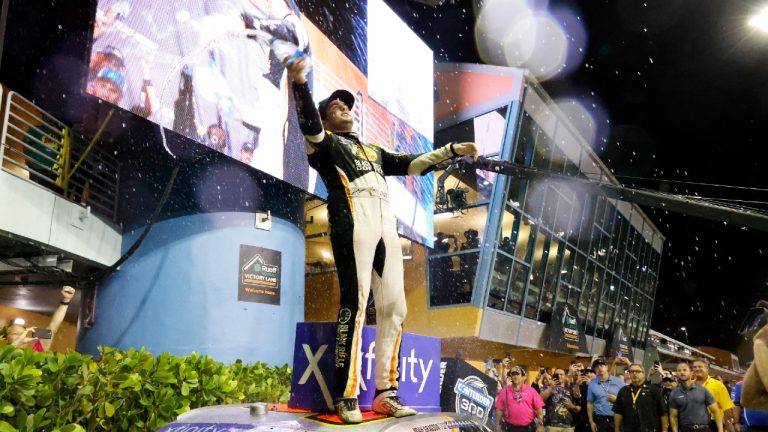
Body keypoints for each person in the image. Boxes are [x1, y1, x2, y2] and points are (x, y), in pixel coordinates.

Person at [284, 54, 478, 423]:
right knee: (355, 304)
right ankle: (345, 394)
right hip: (353, 223)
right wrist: (300, 83)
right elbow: (309, 124)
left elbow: (413, 164)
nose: (343, 106)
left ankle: (386, 393)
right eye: (334, 106)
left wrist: (451, 150)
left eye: (346, 104)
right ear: (326, 118)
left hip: (387, 227)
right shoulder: (325, 145)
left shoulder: (373, 151)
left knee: (395, 308)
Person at [2, 286, 76, 352]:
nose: (21, 337)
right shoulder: (2, 356)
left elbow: (52, 328)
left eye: (23, 333)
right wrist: (17, 343)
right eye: (15, 334)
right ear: (5, 338)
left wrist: (66, 300)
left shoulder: (35, 352)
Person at [613, 363, 668, 432]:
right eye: (632, 371)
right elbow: (618, 412)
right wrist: (617, 429)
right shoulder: (623, 391)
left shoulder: (654, 390)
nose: (634, 373)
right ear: (629, 374)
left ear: (643, 374)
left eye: (637, 371)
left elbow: (663, 413)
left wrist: (664, 430)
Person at [669, 362, 722, 432]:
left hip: (704, 429)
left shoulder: (703, 390)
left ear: (691, 373)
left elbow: (715, 411)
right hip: (686, 429)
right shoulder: (674, 393)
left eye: (684, 370)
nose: (682, 372)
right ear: (676, 374)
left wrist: (720, 430)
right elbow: (673, 416)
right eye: (679, 370)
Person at [495, 366, 546, 432]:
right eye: (513, 374)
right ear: (511, 377)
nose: (515, 376)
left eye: (517, 374)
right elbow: (499, 409)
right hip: (510, 428)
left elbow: (539, 409)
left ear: (523, 377)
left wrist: (540, 425)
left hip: (528, 429)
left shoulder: (531, 391)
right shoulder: (504, 391)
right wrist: (497, 425)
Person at [692, 360, 737, 432]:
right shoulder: (689, 386)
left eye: (700, 366)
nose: (697, 369)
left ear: (707, 369)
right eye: (694, 367)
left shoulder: (718, 385)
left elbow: (727, 409)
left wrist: (727, 425)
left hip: (715, 424)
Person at [588, 358, 627, 432]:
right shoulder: (592, 383)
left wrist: (617, 401)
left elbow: (628, 400)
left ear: (606, 367)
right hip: (600, 419)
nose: (599, 368)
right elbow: (590, 403)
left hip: (617, 419)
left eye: (601, 365)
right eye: (596, 367)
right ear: (595, 370)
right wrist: (591, 422)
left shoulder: (619, 382)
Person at [541, 368, 580, 432]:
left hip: (568, 426)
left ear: (565, 376)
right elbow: (540, 400)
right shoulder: (547, 387)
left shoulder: (570, 389)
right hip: (552, 426)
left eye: (561, 374)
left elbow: (578, 407)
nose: (559, 376)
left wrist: (572, 406)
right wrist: (551, 388)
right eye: (557, 375)